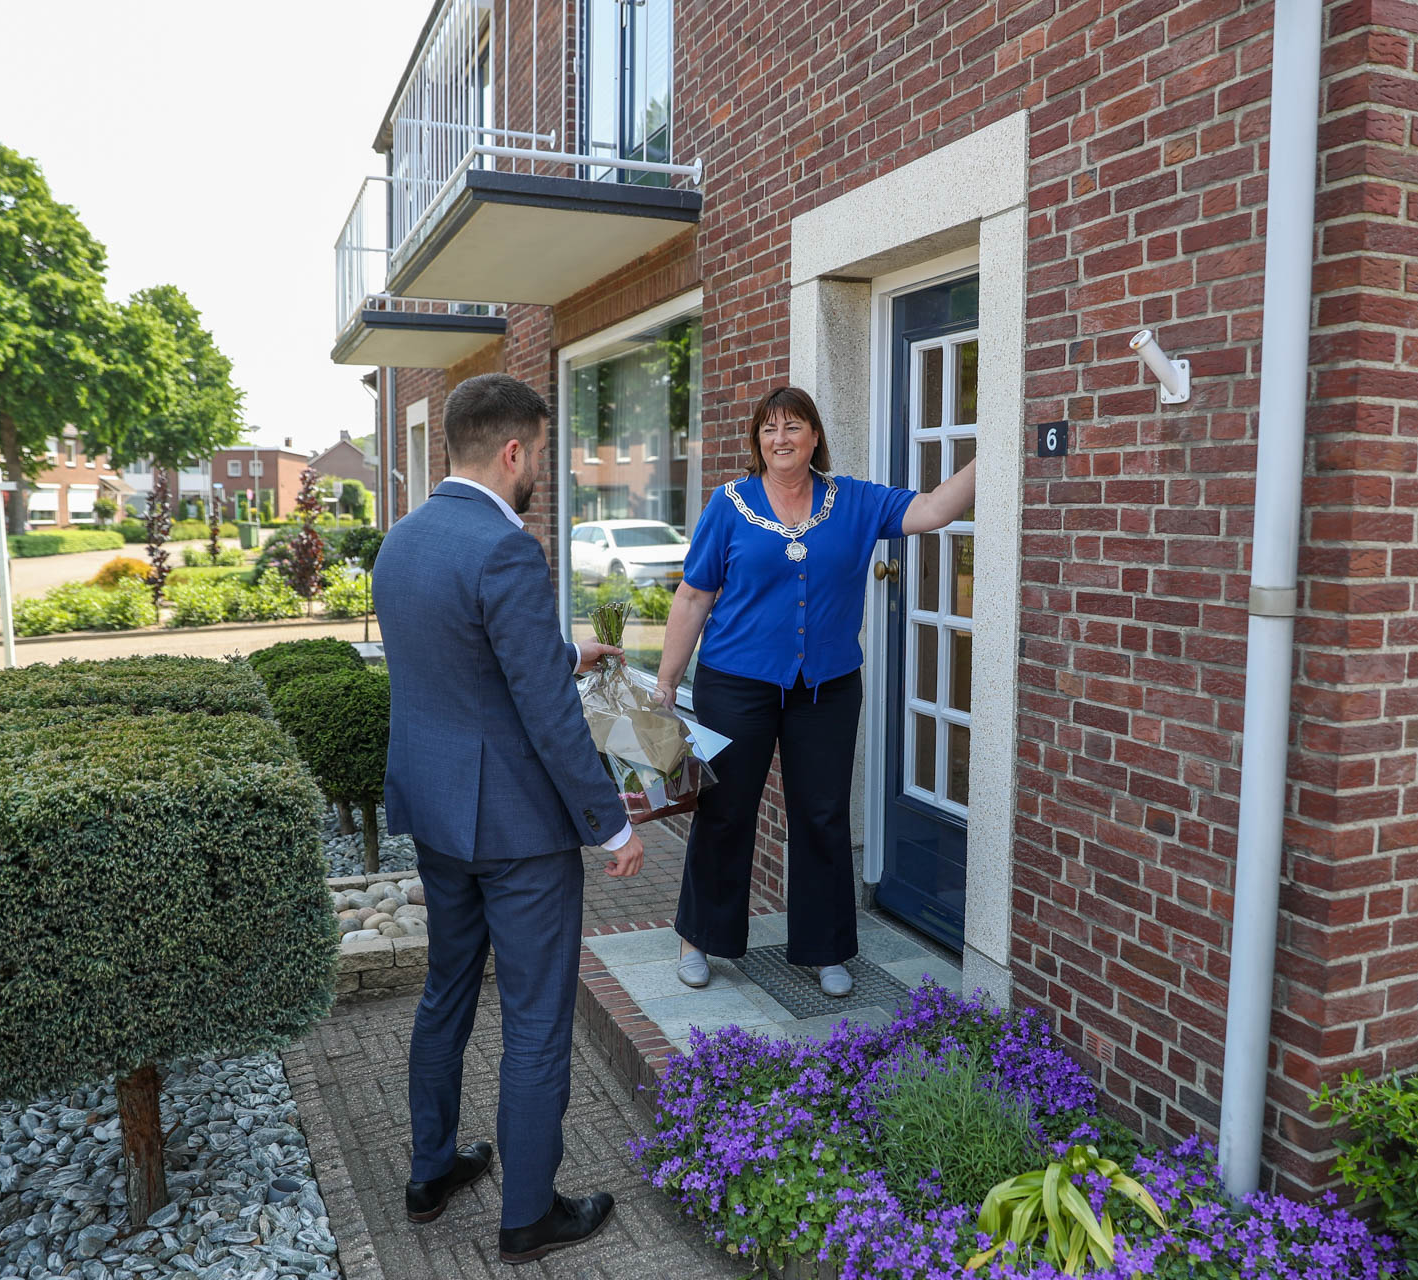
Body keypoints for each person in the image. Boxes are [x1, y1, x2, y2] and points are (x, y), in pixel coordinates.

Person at [373, 373, 646, 1263]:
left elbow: (469, 655)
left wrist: (568, 651)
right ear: (514, 450)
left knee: (447, 990)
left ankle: (430, 1173)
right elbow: (547, 715)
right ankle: (528, 1216)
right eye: (541, 453)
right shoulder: (506, 549)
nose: (541, 475)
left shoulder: (402, 541)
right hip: (520, 835)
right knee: (535, 1019)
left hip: (438, 817)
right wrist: (610, 824)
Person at [654, 385, 976, 997]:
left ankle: (826, 948)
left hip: (826, 686)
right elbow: (694, 596)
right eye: (769, 428)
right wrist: (667, 682)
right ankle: (698, 938)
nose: (781, 439)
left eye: (793, 426)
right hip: (735, 683)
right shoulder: (728, 505)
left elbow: (935, 510)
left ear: (814, 436)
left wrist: (996, 449)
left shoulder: (853, 500)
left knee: (823, 815)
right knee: (725, 812)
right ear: (757, 440)